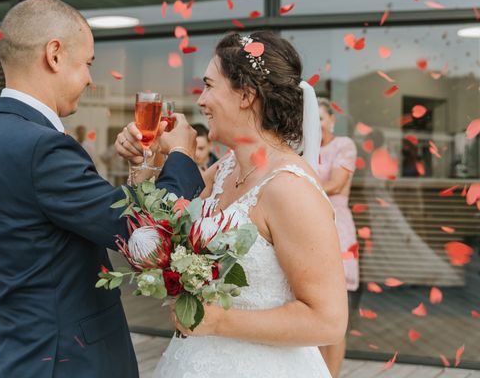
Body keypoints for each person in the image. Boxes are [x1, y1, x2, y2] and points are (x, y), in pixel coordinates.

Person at [0, 0, 204, 377]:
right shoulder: (41, 146)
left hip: (15, 353)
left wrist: (144, 165)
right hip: (67, 362)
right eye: (87, 63)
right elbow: (142, 233)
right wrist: (182, 156)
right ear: (54, 55)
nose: (89, 78)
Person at [118, 31, 347, 377]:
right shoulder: (225, 168)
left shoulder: (289, 189)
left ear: (246, 95)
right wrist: (145, 162)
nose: (201, 101)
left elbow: (328, 320)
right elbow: (155, 233)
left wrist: (219, 321)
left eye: (209, 86)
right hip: (195, 359)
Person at [316, 98, 360, 378]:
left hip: (336, 225)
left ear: (332, 120)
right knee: (313, 301)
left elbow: (336, 183)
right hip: (308, 224)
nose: (317, 125)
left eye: (321, 118)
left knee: (335, 306)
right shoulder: (301, 149)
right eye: (313, 119)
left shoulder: (344, 145)